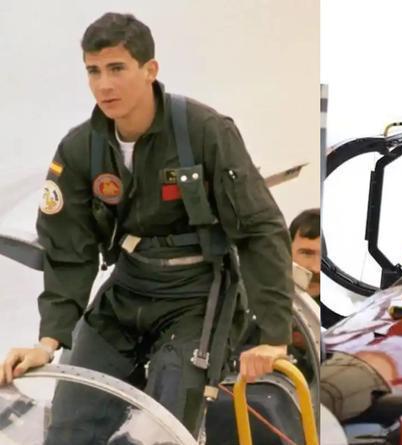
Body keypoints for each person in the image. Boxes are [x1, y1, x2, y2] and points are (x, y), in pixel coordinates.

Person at [0, 12, 293, 440]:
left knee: (165, 430)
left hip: (196, 295)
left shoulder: (205, 132)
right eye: (93, 71)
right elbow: (68, 250)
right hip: (128, 289)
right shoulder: (81, 148)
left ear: (149, 69)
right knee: (69, 427)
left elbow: (260, 230)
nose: (104, 84)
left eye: (117, 68)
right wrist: (47, 342)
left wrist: (274, 335)